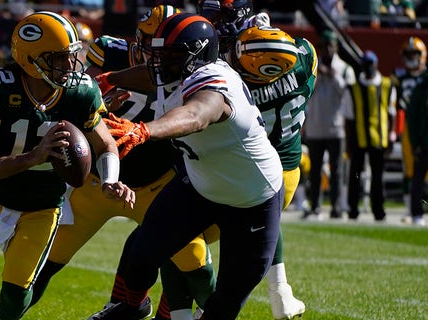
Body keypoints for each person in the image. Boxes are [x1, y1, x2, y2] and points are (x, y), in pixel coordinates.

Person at [0, 11, 135, 320]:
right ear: (31, 59)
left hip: (43, 208)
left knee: (17, 293)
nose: (70, 66)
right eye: (59, 58)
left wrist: (111, 178)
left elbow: (105, 144)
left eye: (72, 57)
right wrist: (34, 156)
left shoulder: (80, 91)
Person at [28, 6, 218, 320]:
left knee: (195, 264)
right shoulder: (106, 53)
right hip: (96, 182)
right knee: (40, 266)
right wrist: (90, 99)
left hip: (157, 186)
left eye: (169, 48)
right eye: (153, 43)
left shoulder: (196, 73)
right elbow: (57, 94)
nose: (158, 54)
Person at [94, 13, 284, 320]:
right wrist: (110, 79)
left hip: (252, 198)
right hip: (201, 186)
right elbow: (150, 74)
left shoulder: (216, 83)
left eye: (170, 56)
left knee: (224, 304)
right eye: (159, 55)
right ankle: (132, 307)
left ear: (197, 56)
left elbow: (197, 115)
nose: (160, 63)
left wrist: (143, 130)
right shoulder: (174, 70)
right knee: (141, 254)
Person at [199, 1, 306, 318]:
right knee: (261, 232)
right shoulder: (303, 56)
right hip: (287, 168)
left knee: (183, 242)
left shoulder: (238, 70)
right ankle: (281, 293)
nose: (213, 22)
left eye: (218, 17)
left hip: (248, 170)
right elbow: (303, 63)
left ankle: (195, 311)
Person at [303, 29, 355, 220]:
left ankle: (336, 206)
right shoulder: (313, 67)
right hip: (316, 127)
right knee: (315, 171)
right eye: (323, 47)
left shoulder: (345, 69)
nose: (326, 50)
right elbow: (307, 93)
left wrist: (333, 76)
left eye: (330, 46)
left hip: (336, 127)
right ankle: (315, 205)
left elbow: (347, 94)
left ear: (336, 47)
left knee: (337, 170)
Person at [346, 50, 397, 221]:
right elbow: (349, 118)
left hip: (379, 137)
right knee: (355, 175)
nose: (369, 69)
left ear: (376, 65)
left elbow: (392, 113)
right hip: (358, 138)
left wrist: (391, 135)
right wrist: (349, 142)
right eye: (366, 65)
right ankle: (353, 209)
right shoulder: (353, 88)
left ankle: (378, 210)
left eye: (371, 65)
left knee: (377, 176)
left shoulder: (387, 85)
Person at [390, 37, 427, 223]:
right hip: (409, 127)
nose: (411, 57)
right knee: (410, 169)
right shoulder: (399, 77)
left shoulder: (425, 77)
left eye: (415, 53)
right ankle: (410, 207)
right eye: (409, 54)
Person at [406, 67, 428, 226]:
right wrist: (415, 143)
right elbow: (412, 118)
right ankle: (416, 213)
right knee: (418, 180)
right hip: (424, 142)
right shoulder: (421, 88)